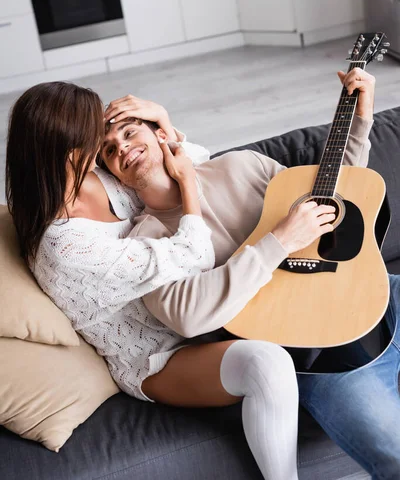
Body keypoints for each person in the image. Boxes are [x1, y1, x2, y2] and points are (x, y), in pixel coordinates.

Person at [101, 68, 400, 480]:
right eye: (109, 150)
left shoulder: (241, 165)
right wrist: (278, 241)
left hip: (380, 298)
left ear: (162, 134)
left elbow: (332, 205)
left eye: (130, 132)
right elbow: (189, 317)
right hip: (319, 356)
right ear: (112, 176)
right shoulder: (142, 245)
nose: (123, 148)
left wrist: (359, 121)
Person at [6, 82, 302, 480]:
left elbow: (192, 167)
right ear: (69, 147)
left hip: (197, 302)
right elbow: (192, 253)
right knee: (266, 365)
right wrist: (191, 191)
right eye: (95, 129)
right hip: (160, 355)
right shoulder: (64, 244)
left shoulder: (98, 176)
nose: (105, 135)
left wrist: (163, 123)